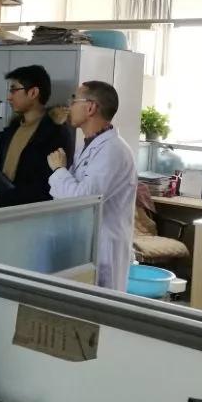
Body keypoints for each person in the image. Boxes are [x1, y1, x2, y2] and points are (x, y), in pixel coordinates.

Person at [48, 81, 137, 291]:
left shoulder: (113, 150)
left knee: (101, 306)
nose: (69, 106)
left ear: (90, 108)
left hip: (105, 248)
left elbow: (85, 200)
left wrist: (59, 170)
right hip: (85, 243)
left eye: (74, 100)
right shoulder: (88, 145)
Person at [0, 65, 71, 210]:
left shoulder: (53, 133)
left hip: (28, 214)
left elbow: (46, 186)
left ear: (33, 92)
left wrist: (2, 200)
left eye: (14, 90)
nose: (9, 97)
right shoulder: (12, 129)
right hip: (1, 210)